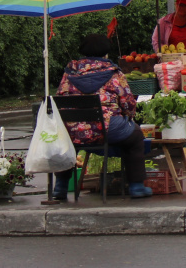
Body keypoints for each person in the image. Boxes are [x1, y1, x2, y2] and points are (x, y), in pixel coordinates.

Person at [53, 33, 152, 199]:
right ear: (106, 52)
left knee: (67, 143)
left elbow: (61, 97)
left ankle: (60, 188)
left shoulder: (69, 73)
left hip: (74, 131)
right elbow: (128, 103)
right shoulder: (113, 73)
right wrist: (128, 115)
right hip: (108, 129)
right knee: (135, 136)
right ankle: (137, 187)